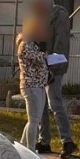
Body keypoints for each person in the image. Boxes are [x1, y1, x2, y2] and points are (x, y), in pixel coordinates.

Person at [32, 0, 76, 159]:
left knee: (54, 103)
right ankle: (44, 141)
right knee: (41, 104)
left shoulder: (60, 15)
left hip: (54, 65)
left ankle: (67, 141)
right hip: (40, 64)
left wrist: (51, 67)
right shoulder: (39, 17)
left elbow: (61, 45)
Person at [16, 17, 48, 151]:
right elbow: (38, 58)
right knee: (34, 120)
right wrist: (46, 56)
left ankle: (22, 147)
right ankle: (31, 150)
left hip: (38, 85)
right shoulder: (25, 44)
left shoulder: (33, 44)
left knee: (34, 119)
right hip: (31, 85)